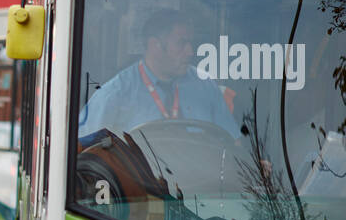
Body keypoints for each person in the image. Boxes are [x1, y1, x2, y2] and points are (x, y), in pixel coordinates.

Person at [79, 8, 241, 139]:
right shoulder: (117, 92)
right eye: (181, 43)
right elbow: (84, 149)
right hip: (142, 178)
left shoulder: (205, 85)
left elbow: (233, 141)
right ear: (155, 45)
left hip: (201, 177)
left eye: (191, 43)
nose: (190, 52)